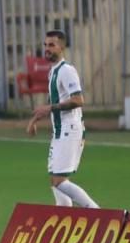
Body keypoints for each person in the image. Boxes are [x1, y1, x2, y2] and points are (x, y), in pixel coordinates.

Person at [26, 30, 100, 209]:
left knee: (59, 181)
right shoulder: (53, 72)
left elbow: (78, 100)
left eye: (51, 45)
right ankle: (63, 222)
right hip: (60, 131)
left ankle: (97, 212)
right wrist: (35, 120)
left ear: (62, 47)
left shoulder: (67, 71)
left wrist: (49, 108)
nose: (47, 49)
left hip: (70, 130)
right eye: (45, 45)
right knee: (56, 183)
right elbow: (54, 104)